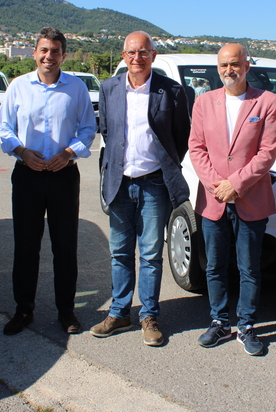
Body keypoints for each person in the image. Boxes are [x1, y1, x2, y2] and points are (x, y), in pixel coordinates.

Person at [91, 31, 191, 347]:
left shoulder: (172, 91)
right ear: (124, 56)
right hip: (119, 184)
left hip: (154, 185)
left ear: (154, 55)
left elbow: (181, 136)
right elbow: (107, 131)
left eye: (143, 52)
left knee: (150, 253)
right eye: (132, 52)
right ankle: (120, 312)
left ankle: (149, 315)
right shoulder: (108, 89)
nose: (137, 58)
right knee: (119, 251)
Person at [0, 27, 96, 335]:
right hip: (28, 175)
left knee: (65, 247)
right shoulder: (18, 86)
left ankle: (66, 311)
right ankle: (23, 310)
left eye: (55, 51)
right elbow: (3, 127)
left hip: (64, 176)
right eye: (43, 50)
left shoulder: (76, 88)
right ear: (34, 53)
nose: (48, 56)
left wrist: (69, 153)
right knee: (26, 246)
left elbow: (88, 129)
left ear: (63, 55)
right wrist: (22, 152)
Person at [188, 43, 276, 356]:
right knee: (213, 266)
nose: (230, 70)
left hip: (251, 198)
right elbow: (196, 148)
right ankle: (218, 321)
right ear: (218, 68)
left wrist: (236, 184)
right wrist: (219, 185)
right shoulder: (203, 103)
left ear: (247, 65)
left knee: (249, 267)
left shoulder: (267, 101)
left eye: (235, 64)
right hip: (213, 199)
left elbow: (267, 153)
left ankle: (247, 325)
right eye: (224, 65)